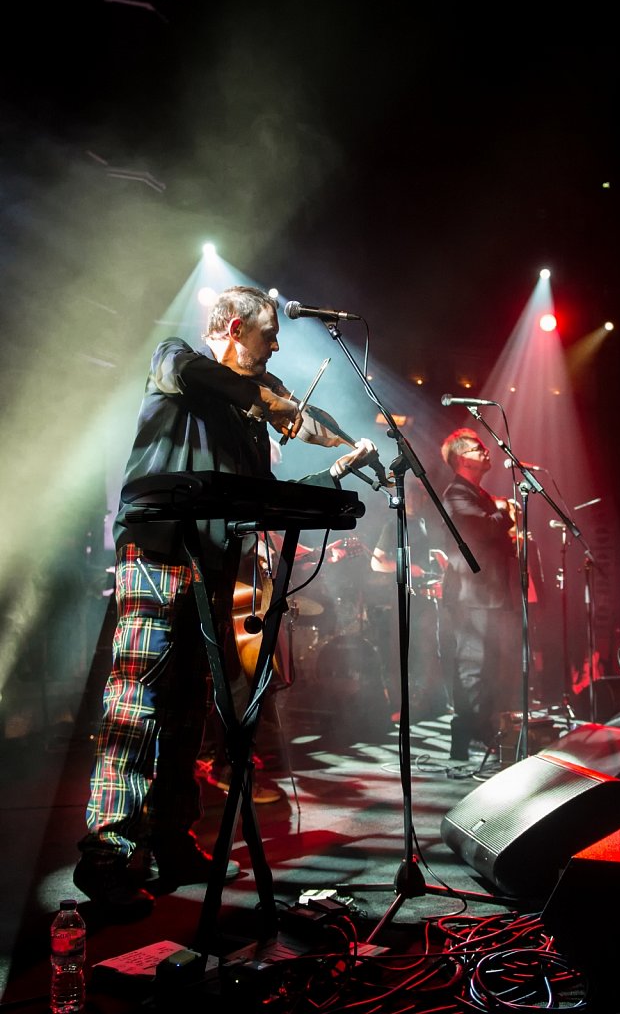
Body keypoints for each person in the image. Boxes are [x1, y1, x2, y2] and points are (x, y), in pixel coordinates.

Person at [74, 285, 379, 920]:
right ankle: (105, 859)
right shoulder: (175, 360)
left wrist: (336, 470)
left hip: (212, 570)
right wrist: (271, 403)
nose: (275, 349)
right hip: (157, 557)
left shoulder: (245, 423)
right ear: (235, 326)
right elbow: (210, 378)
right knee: (134, 706)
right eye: (268, 337)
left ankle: (169, 840)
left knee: (188, 710)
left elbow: (262, 498)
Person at [437, 428, 520, 760]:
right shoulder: (457, 493)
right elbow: (480, 529)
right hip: (472, 595)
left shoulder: (479, 494)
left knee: (490, 666)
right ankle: (467, 738)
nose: (486, 452)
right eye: (477, 448)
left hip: (490, 593)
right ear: (460, 458)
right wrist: (507, 515)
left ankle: (483, 732)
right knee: (473, 666)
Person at [368, 478, 450, 721]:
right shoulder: (394, 523)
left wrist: (436, 557)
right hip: (401, 600)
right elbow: (376, 562)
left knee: (428, 652)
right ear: (407, 495)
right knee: (400, 654)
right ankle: (399, 706)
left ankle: (430, 703)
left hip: (424, 598)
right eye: (417, 493)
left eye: (423, 494)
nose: (422, 498)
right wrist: (407, 567)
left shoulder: (422, 522)